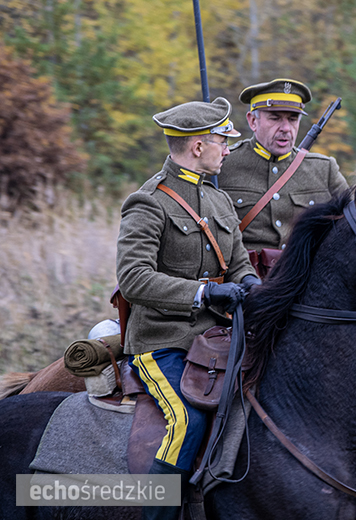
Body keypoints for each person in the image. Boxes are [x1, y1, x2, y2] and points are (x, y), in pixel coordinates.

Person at [116, 97, 260, 520]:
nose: (229, 149)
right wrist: (203, 294)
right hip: (164, 341)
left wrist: (252, 286)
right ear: (198, 146)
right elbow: (134, 280)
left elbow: (238, 264)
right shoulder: (149, 202)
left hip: (219, 337)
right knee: (188, 420)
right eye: (222, 140)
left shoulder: (218, 202)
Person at [218, 78, 349, 255]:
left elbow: (355, 227)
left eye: (293, 119)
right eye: (275, 118)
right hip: (244, 279)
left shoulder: (325, 170)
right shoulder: (222, 164)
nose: (286, 128)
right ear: (252, 121)